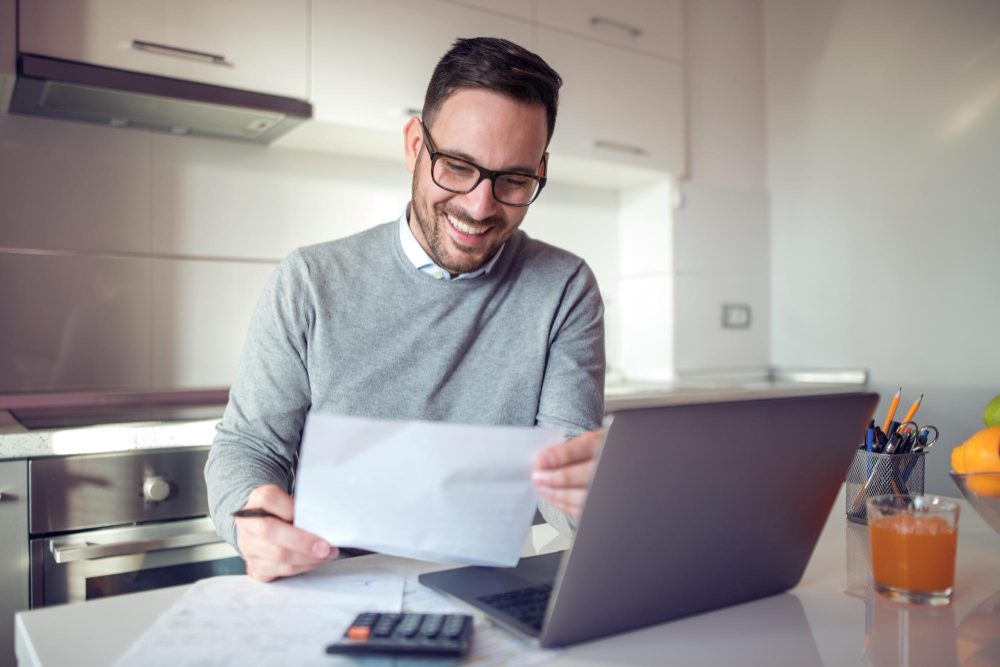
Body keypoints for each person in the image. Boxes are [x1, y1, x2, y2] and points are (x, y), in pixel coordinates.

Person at [206, 37, 605, 582]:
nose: (479, 205)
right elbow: (249, 446)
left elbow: (562, 472)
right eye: (459, 167)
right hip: (327, 583)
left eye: (513, 180)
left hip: (489, 589)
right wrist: (250, 516)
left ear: (540, 169)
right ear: (416, 144)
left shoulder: (564, 288)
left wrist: (601, 491)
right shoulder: (310, 281)